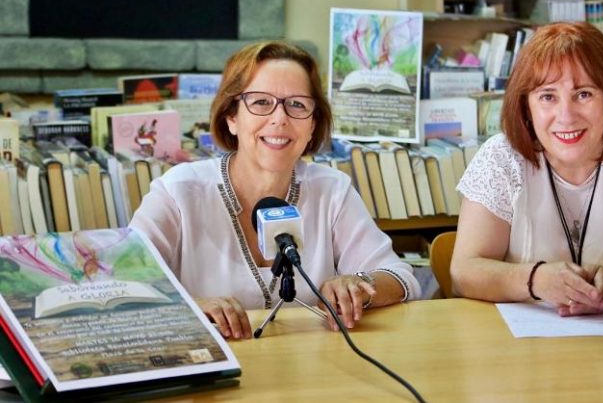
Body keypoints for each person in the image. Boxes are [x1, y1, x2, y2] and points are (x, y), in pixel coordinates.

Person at [130, 41, 420, 339]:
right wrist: (191, 306)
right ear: (231, 116)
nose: (279, 118)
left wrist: (359, 285)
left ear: (312, 125)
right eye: (260, 102)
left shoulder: (332, 190)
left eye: (297, 104)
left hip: (316, 370)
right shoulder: (178, 192)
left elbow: (400, 277)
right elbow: (125, 285)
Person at [451, 22, 603, 316]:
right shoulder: (501, 157)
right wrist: (535, 280)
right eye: (548, 97)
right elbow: (464, 272)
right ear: (526, 107)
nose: (566, 116)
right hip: (523, 348)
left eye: (584, 94)